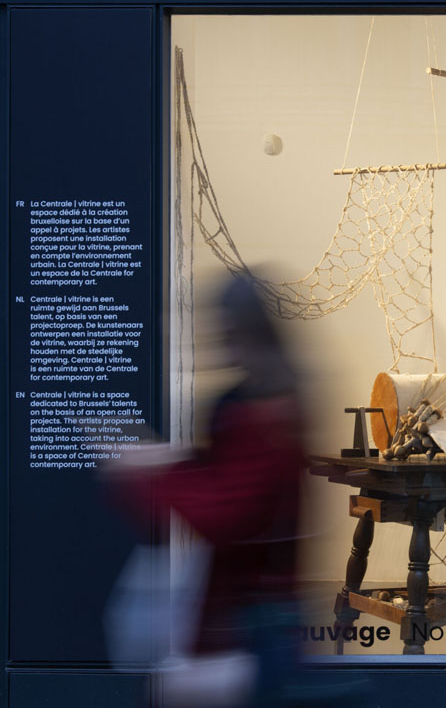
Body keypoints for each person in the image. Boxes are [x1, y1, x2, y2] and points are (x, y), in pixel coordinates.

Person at [105, 273, 306, 705]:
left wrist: (151, 473)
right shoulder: (270, 401)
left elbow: (227, 515)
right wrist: (176, 462)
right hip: (255, 613)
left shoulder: (264, 412)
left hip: (253, 619)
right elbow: (232, 482)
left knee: (170, 691)